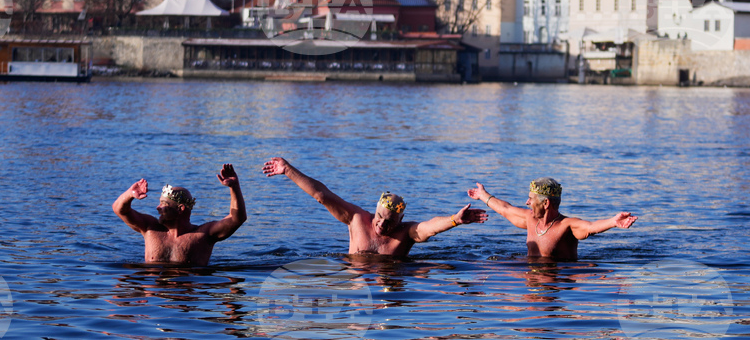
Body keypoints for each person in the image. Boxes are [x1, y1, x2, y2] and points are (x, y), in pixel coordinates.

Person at [263, 157, 487, 256]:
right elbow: (322, 195)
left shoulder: (406, 232)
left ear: (399, 220)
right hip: (359, 292)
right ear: (375, 210)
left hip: (391, 287)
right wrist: (288, 170)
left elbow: (428, 227)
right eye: (380, 216)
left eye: (390, 221)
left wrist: (454, 220)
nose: (382, 224)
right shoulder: (357, 219)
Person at [468, 177, 637, 261]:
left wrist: (613, 222)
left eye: (531, 199)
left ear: (546, 203)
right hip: (532, 277)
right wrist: (484, 196)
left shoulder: (566, 225)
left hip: (556, 280)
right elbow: (506, 209)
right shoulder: (530, 219)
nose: (527, 202)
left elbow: (590, 226)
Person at [112, 163, 246, 266]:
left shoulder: (203, 235)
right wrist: (129, 194)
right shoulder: (150, 228)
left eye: (163, 204)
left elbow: (237, 218)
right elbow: (120, 209)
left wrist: (234, 187)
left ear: (180, 209)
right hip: (157, 300)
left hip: (186, 296)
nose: (157, 208)